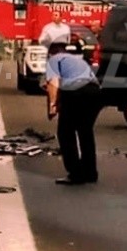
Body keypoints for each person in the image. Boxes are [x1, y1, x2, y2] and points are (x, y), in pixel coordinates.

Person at [44, 41, 104, 185]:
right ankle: (90, 173)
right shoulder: (77, 60)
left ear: (51, 53)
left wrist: (52, 106)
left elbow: (53, 84)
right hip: (95, 93)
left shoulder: (53, 60)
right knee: (85, 132)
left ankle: (75, 173)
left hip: (76, 92)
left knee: (65, 132)